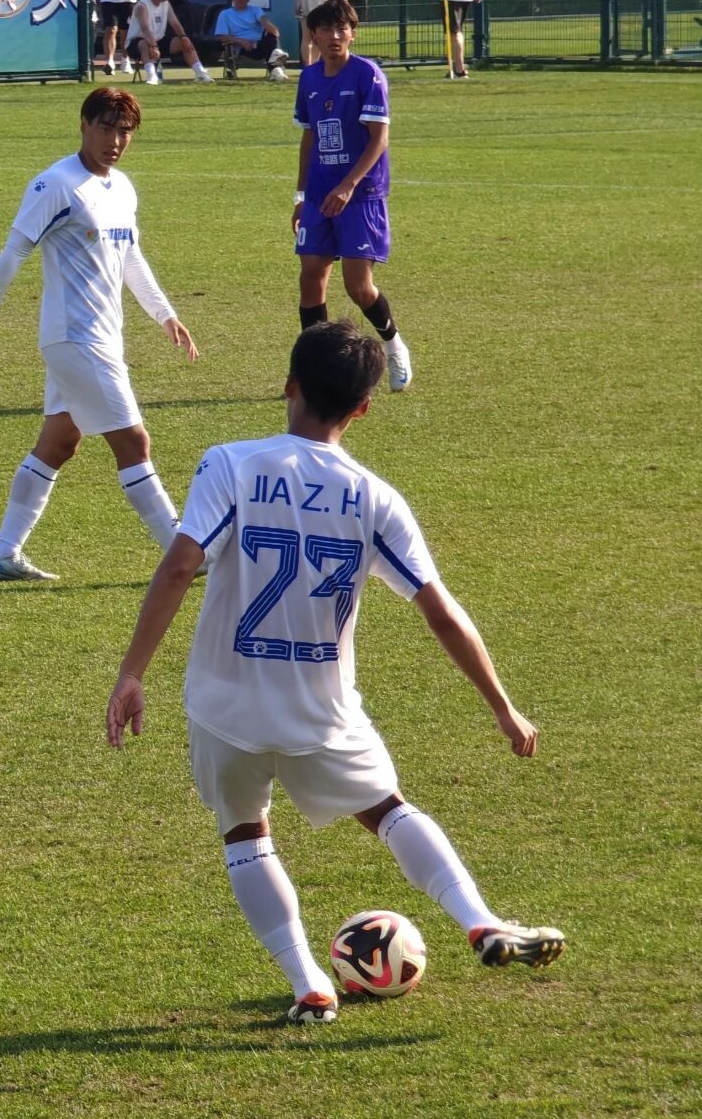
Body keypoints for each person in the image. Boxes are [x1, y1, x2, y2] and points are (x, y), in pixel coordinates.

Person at [106, 320, 565, 1026]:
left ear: (288, 385)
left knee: (245, 834)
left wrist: (133, 672)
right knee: (387, 810)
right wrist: (502, 706)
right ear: (364, 408)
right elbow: (441, 612)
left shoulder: (230, 464)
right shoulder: (376, 498)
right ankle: (479, 920)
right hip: (321, 712)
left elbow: (178, 567)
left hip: (224, 708)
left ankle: (309, 986)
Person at [0, 85, 198, 582]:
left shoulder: (122, 188)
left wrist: (165, 314)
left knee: (61, 441)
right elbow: (14, 252)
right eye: (106, 129)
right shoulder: (56, 184)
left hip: (102, 336)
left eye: (125, 131)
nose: (115, 141)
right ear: (84, 125)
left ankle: (4, 554)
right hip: (74, 338)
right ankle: (182, 553)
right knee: (134, 442)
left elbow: (130, 257)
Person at [291, 0, 412, 392]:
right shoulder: (309, 79)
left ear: (353, 34)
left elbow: (379, 139)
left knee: (358, 287)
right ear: (313, 35)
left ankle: (393, 346)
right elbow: (309, 138)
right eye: (325, 29)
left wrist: (348, 185)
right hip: (319, 194)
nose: (334, 36)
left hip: (361, 195)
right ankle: (314, 370)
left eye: (341, 29)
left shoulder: (368, 75)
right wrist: (300, 196)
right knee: (311, 276)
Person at [126, 0, 213, 86]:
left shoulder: (166, 4)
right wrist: (154, 46)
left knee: (184, 42)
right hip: (137, 43)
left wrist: (184, 37)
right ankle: (151, 76)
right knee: (144, 44)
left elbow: (175, 24)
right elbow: (145, 29)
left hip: (158, 40)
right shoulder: (142, 6)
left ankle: (201, 73)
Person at [214, 0, 288, 80]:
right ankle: (277, 66)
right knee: (273, 50)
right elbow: (222, 36)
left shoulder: (256, 10)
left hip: (260, 44)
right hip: (242, 48)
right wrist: (242, 42)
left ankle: (276, 63)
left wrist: (267, 24)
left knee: (271, 36)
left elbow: (270, 26)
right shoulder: (225, 14)